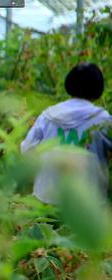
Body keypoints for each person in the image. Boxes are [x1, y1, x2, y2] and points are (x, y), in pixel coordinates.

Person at [20, 63, 111, 204]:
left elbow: (27, 149)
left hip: (47, 199)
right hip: (90, 205)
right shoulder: (103, 120)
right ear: (98, 89)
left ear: (69, 84)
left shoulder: (48, 115)